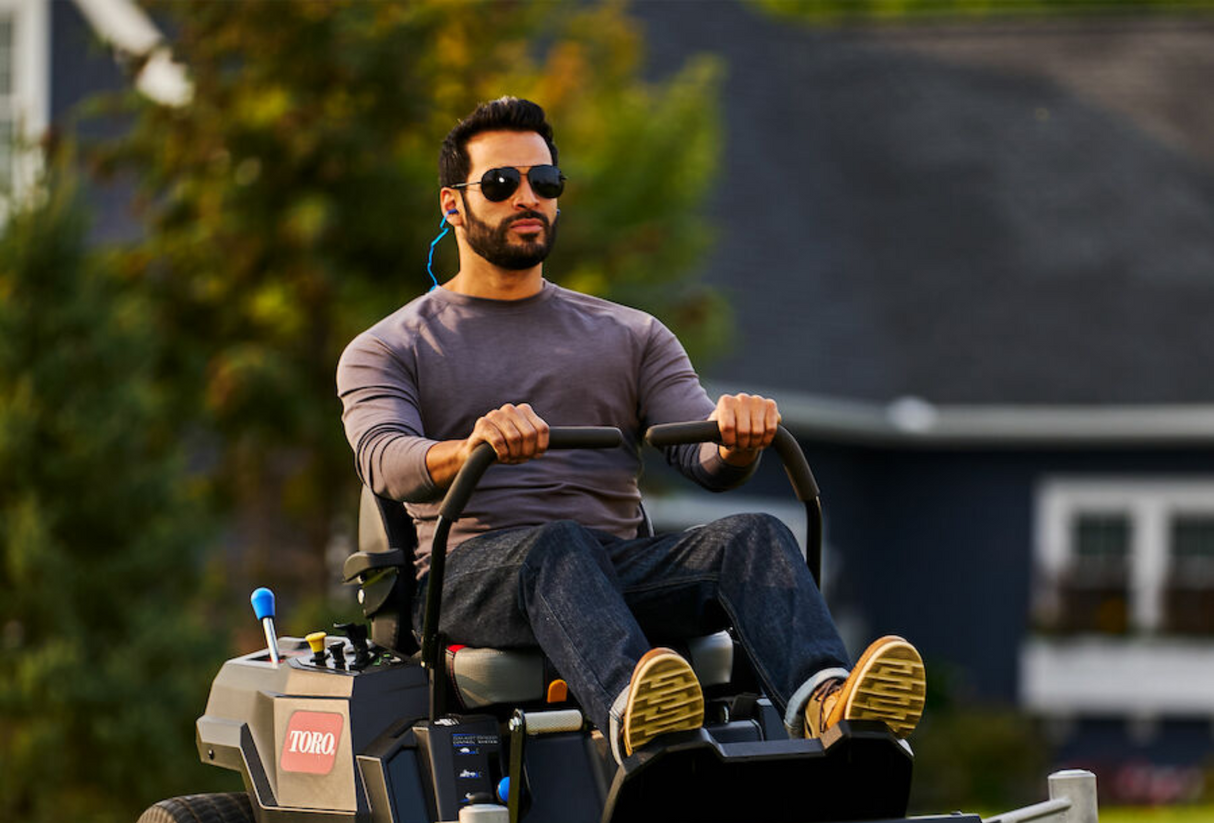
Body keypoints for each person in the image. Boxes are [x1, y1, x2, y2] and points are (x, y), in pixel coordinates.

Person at [338, 96, 925, 762]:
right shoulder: (390, 346)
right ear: (453, 204)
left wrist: (735, 439)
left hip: (611, 568)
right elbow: (387, 461)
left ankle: (828, 703)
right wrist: (472, 446)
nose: (527, 197)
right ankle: (639, 719)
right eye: (502, 184)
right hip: (467, 578)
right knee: (554, 547)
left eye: (545, 182)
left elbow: (702, 453)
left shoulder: (631, 334)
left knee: (754, 536)